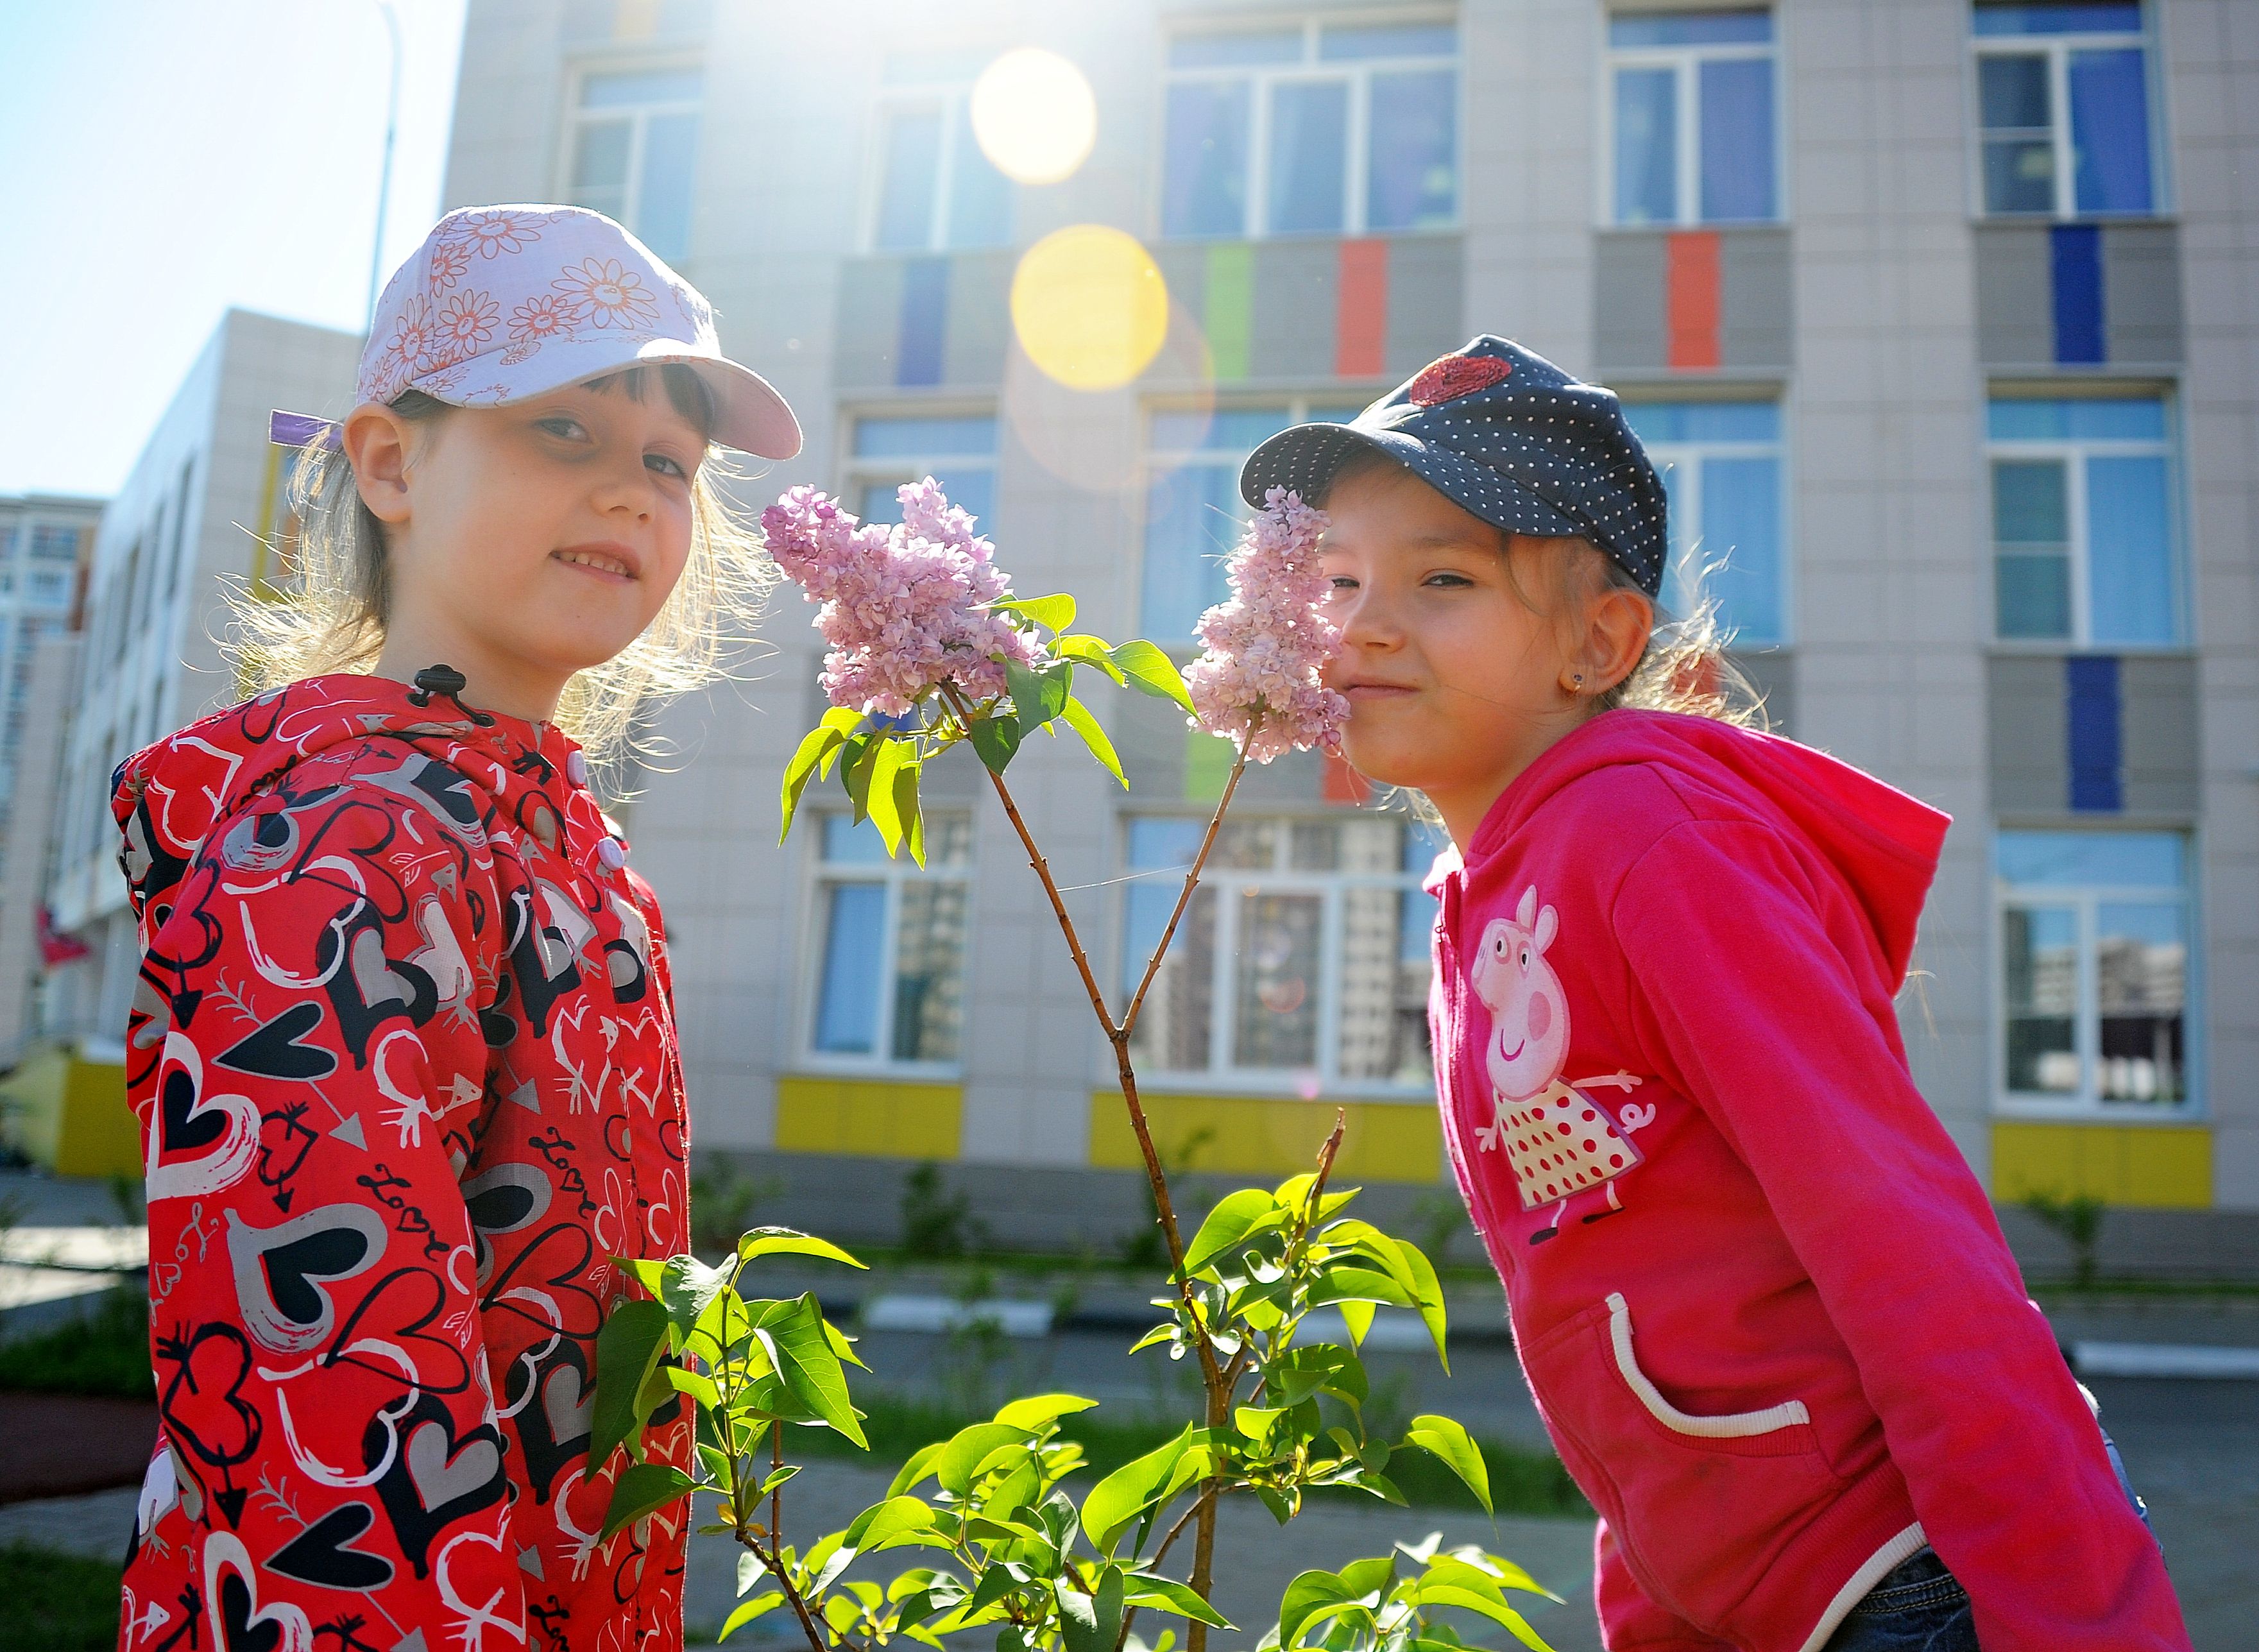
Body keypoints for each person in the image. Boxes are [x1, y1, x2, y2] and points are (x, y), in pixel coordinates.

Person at [1240, 337, 2188, 1652]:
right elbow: (1614, 1308)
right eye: (1337, 581)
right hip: (1759, 1602)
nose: (1361, 627)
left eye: (1443, 577)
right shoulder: (1485, 896)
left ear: (1598, 639)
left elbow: (1895, 1223)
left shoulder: (1645, 840)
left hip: (1914, 1576)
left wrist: (2077, 1612)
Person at [113, 204, 798, 1652]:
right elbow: (325, 1409)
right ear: (390, 461)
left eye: (669, 465)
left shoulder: (574, 840)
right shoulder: (339, 841)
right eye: (564, 431)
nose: (630, 494)